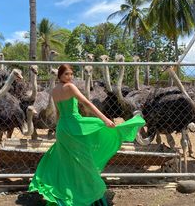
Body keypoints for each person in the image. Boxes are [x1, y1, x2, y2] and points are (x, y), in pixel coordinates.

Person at [29, 64, 145, 205]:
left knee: (69, 163)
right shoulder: (70, 87)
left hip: (63, 128)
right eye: (66, 74)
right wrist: (105, 119)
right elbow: (86, 103)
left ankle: (71, 193)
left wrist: (58, 129)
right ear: (60, 75)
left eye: (71, 74)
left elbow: (59, 113)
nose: (70, 77)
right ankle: (88, 197)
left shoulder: (54, 91)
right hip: (75, 127)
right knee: (84, 162)